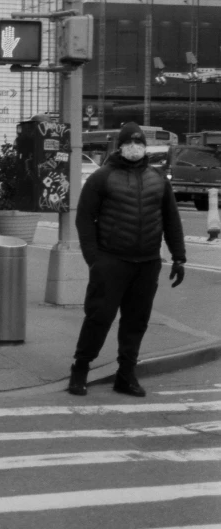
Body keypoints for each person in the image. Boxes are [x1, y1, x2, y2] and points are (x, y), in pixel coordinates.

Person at [69, 121, 186, 398]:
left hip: (147, 263)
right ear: (120, 147)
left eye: (138, 143)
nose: (134, 148)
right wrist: (93, 259)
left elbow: (171, 219)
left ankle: (126, 375)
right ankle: (80, 369)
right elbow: (84, 218)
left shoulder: (157, 178)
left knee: (136, 321)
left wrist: (179, 257)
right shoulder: (102, 177)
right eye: (129, 143)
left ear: (144, 147)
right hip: (111, 261)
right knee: (99, 317)